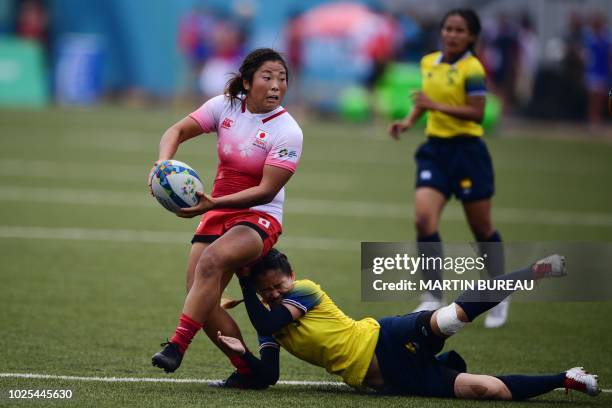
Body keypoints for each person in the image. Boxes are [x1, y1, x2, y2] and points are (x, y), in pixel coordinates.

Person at [216, 249, 601, 400]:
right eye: (267, 292)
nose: (275, 295)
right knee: (489, 390)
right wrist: (243, 356)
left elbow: (266, 315)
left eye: (277, 286)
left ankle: (534, 271)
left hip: (384, 337)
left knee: (454, 316)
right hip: (394, 380)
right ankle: (567, 377)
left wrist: (246, 282)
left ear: (292, 277)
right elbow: (268, 375)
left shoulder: (305, 290)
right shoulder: (268, 325)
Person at [148, 48, 303, 378]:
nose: (276, 85)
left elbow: (267, 190)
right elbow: (175, 131)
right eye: (267, 77)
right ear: (247, 82)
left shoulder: (288, 131)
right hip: (216, 211)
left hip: (259, 215)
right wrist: (162, 164)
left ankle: (177, 345)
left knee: (212, 261)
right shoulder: (224, 106)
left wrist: (213, 203)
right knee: (200, 298)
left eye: (282, 78)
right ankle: (249, 370)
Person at [388, 9, 508, 327]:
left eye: (459, 30)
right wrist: (409, 121)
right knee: (423, 219)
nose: (452, 34)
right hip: (435, 151)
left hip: (468, 153)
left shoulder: (473, 69)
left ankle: (498, 292)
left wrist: (433, 107)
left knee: (481, 228)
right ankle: (432, 296)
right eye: (448, 28)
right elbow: (425, 99)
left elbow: (477, 114)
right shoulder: (429, 62)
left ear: (471, 36)